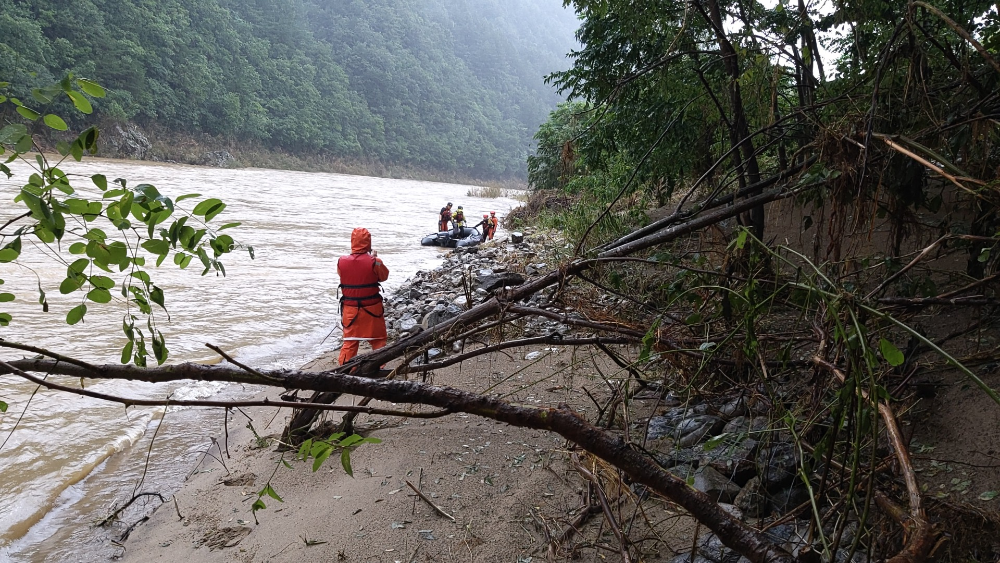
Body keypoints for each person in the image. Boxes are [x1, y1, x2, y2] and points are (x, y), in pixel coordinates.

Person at [337, 228, 390, 365]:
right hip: (372, 310)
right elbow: (384, 276)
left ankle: (344, 371)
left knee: (349, 343)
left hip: (350, 311)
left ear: (352, 242)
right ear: (368, 243)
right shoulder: (375, 261)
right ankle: (379, 369)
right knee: (378, 341)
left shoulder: (341, 261)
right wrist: (375, 258)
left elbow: (342, 275)